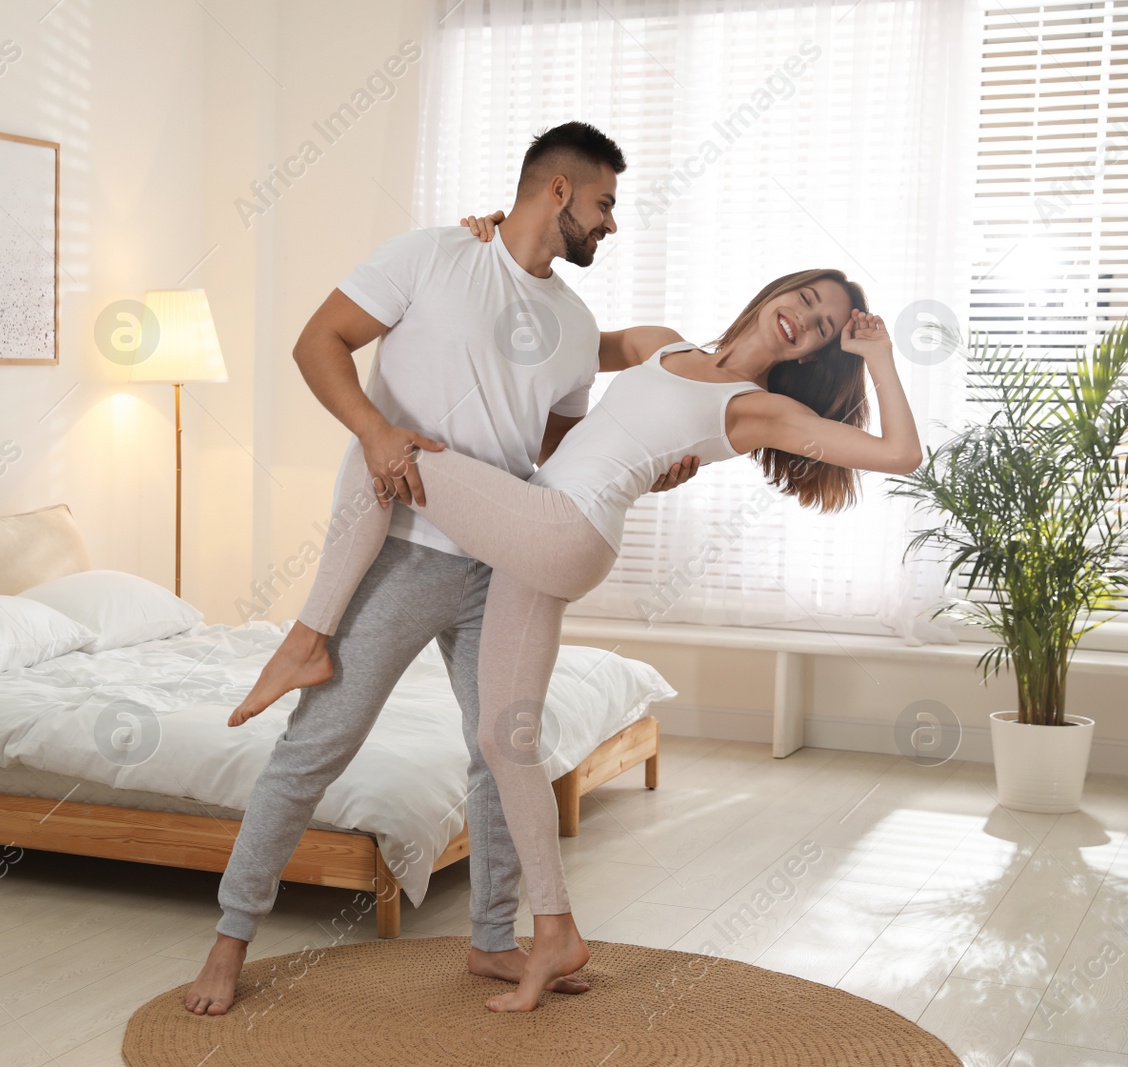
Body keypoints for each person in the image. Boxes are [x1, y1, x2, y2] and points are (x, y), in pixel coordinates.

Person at [231, 221, 923, 1011]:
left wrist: (880, 358)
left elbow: (901, 454)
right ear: (775, 295)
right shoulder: (664, 343)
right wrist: (492, 249)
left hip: (567, 529)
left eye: (825, 326)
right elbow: (561, 337)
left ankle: (305, 640)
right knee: (504, 736)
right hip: (540, 522)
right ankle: (554, 931)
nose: (807, 317)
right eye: (805, 298)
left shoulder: (755, 408)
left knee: (383, 448)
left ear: (811, 354)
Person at [182, 123, 703, 1017]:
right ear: (559, 192)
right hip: (402, 550)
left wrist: (649, 462)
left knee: (503, 753)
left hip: (505, 563)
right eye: (607, 203)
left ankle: (494, 942)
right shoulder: (430, 255)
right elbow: (319, 342)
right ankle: (229, 940)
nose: (612, 225)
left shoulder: (576, 325)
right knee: (317, 745)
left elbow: (549, 445)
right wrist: (375, 431)